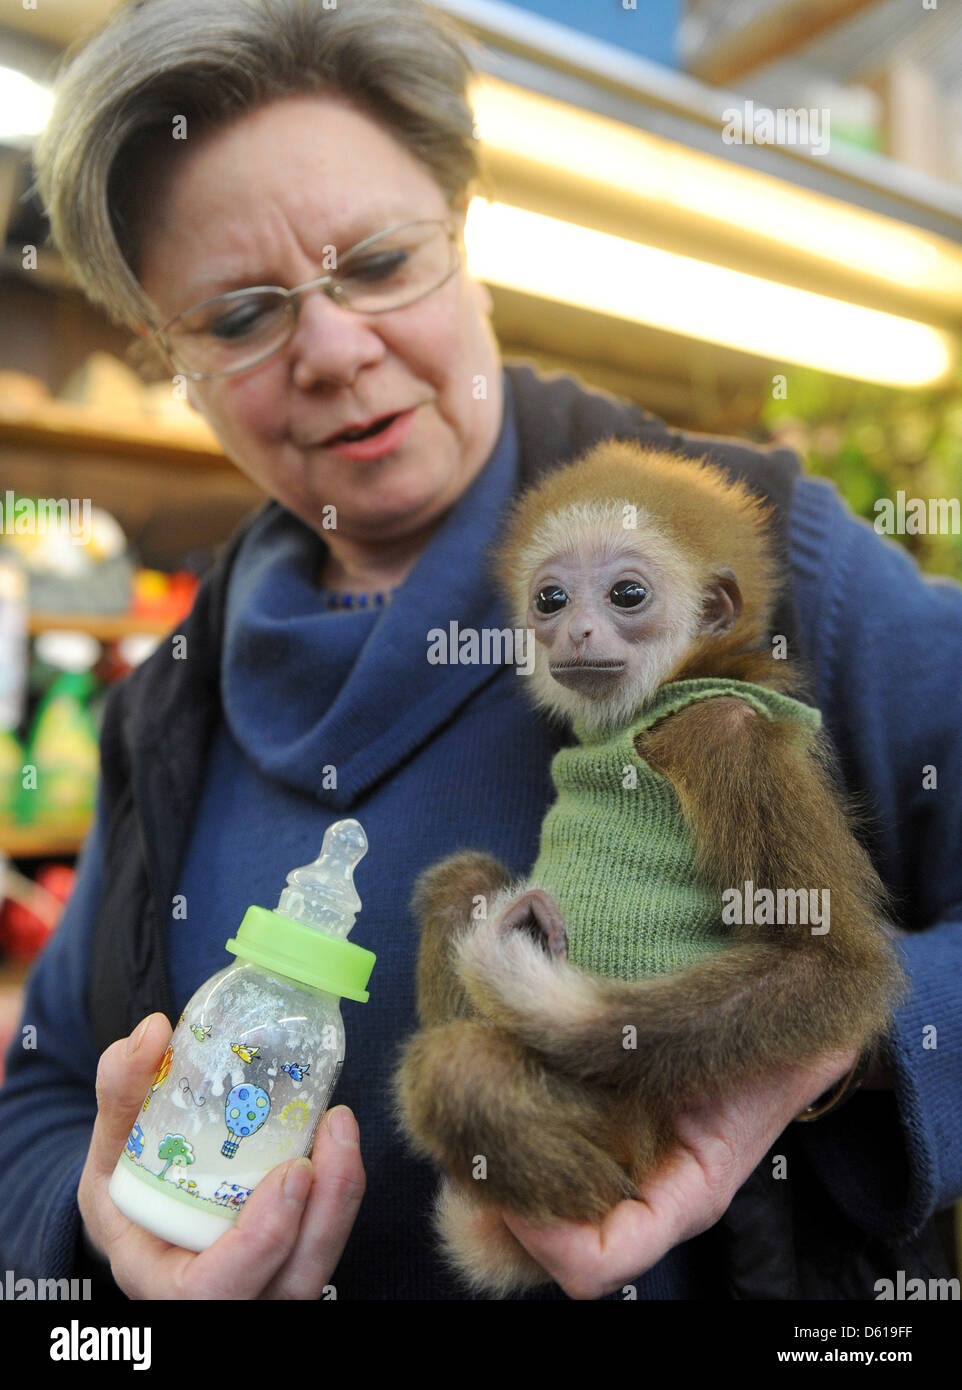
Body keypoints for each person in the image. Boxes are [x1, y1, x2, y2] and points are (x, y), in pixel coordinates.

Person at [0, 0, 959, 1301]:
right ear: (169, 360)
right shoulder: (161, 705)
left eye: (381, 262)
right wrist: (100, 1237)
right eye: (237, 318)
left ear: (467, 240)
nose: (336, 349)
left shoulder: (764, 556)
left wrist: (832, 1043)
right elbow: (46, 1088)